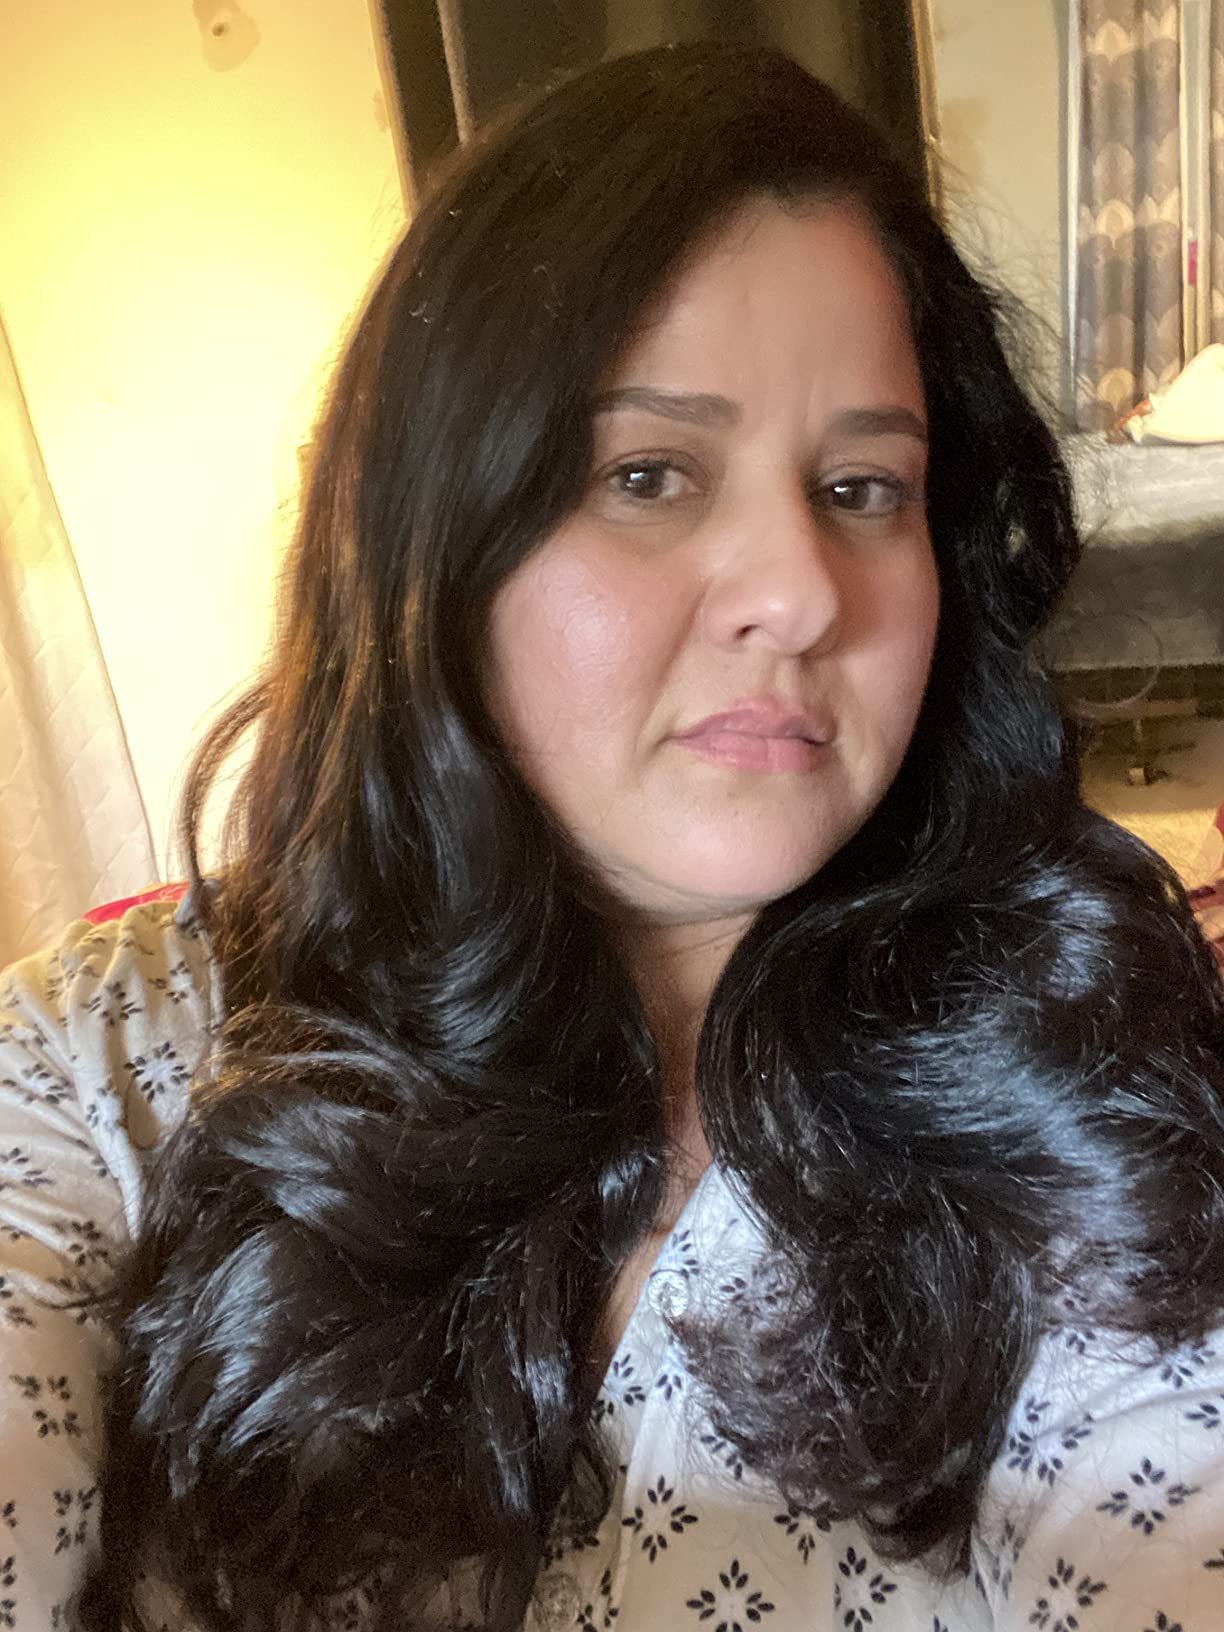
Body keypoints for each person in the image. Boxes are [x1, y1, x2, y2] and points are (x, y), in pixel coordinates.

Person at [2, 40, 1224, 1632]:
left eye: (866, 487)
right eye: (649, 474)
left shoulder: (1072, 1083)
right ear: (433, 537)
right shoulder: (116, 1062)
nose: (799, 593)